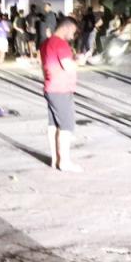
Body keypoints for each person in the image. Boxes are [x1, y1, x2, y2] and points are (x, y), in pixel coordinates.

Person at [40, 17, 89, 172]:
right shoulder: (61, 44)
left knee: (53, 125)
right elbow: (68, 67)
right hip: (61, 89)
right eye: (73, 32)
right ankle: (65, 162)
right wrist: (80, 61)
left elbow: (45, 65)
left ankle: (55, 159)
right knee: (66, 126)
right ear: (67, 28)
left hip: (50, 87)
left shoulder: (46, 43)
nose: (73, 36)